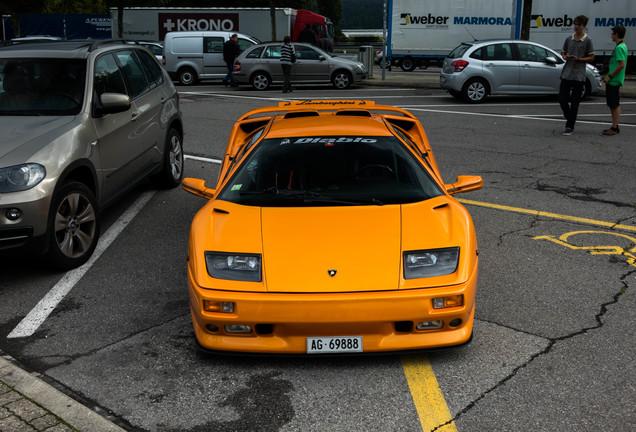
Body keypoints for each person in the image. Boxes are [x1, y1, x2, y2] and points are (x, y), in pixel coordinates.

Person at [559, 15, 595, 136]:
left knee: (575, 102)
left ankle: (569, 126)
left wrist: (579, 59)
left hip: (579, 75)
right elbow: (563, 53)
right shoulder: (569, 39)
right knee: (562, 99)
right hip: (567, 73)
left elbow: (592, 57)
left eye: (579, 25)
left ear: (584, 26)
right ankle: (569, 117)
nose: (576, 27)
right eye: (575, 24)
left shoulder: (587, 40)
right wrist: (565, 57)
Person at [602, 25, 627, 136]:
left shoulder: (619, 48)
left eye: (612, 34)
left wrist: (610, 76)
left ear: (617, 34)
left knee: (615, 105)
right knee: (612, 104)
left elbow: (622, 65)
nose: (611, 36)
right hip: (613, 80)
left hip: (614, 80)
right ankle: (614, 126)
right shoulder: (621, 46)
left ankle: (615, 127)